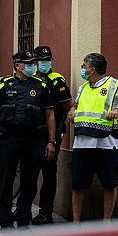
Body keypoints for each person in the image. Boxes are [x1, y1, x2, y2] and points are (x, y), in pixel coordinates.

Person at [0, 50, 57, 230]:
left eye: (34, 63)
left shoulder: (41, 86)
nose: (33, 66)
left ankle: (23, 219)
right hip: (9, 139)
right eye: (29, 64)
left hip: (34, 140)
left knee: (29, 182)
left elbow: (50, 115)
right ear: (18, 66)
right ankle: (5, 221)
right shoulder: (3, 86)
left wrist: (51, 141)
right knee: (4, 180)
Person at [67, 53, 118, 223]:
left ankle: (106, 223)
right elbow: (77, 105)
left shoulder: (114, 85)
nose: (82, 69)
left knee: (109, 184)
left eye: (84, 66)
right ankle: (76, 223)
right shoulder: (83, 87)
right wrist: (72, 111)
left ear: (92, 70)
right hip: (81, 144)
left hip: (107, 145)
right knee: (78, 185)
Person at [31, 46, 74, 225]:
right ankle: (24, 209)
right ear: (34, 62)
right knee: (30, 173)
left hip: (50, 135)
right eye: (42, 60)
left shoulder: (57, 81)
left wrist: (55, 138)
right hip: (31, 135)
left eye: (48, 60)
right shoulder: (30, 80)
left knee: (49, 175)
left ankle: (45, 212)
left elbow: (67, 107)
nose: (45, 63)